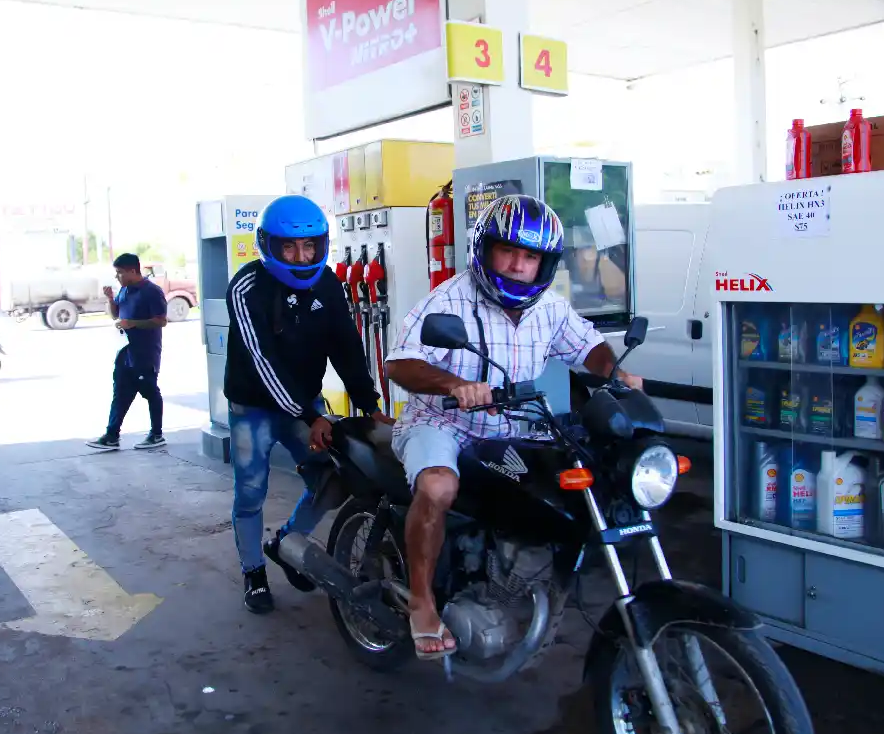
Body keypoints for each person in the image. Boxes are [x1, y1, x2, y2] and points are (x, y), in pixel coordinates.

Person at [385, 195, 643, 661]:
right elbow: (400, 364)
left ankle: (517, 581)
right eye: (508, 251)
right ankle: (422, 603)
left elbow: (588, 347)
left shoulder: (551, 307)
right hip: (443, 422)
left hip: (513, 425)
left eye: (531, 256)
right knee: (439, 487)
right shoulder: (449, 299)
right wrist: (455, 384)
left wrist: (614, 374)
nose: (519, 265)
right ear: (485, 249)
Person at [225, 194, 393, 614]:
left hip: (305, 404)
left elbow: (347, 346)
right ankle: (253, 572)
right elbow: (262, 362)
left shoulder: (329, 282)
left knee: (329, 479)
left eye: (309, 246)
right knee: (250, 491)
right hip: (255, 407)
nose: (301, 256)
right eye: (288, 247)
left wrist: (369, 405)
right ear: (268, 244)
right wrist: (311, 415)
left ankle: (286, 543)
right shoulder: (246, 288)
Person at [86, 253, 168, 452]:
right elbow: (116, 314)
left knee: (149, 390)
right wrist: (111, 300)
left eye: (120, 273)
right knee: (120, 392)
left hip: (144, 352)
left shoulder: (151, 291)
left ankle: (156, 434)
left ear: (133, 271)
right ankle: (111, 435)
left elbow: (161, 320)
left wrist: (133, 324)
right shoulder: (124, 290)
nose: (118, 277)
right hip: (124, 352)